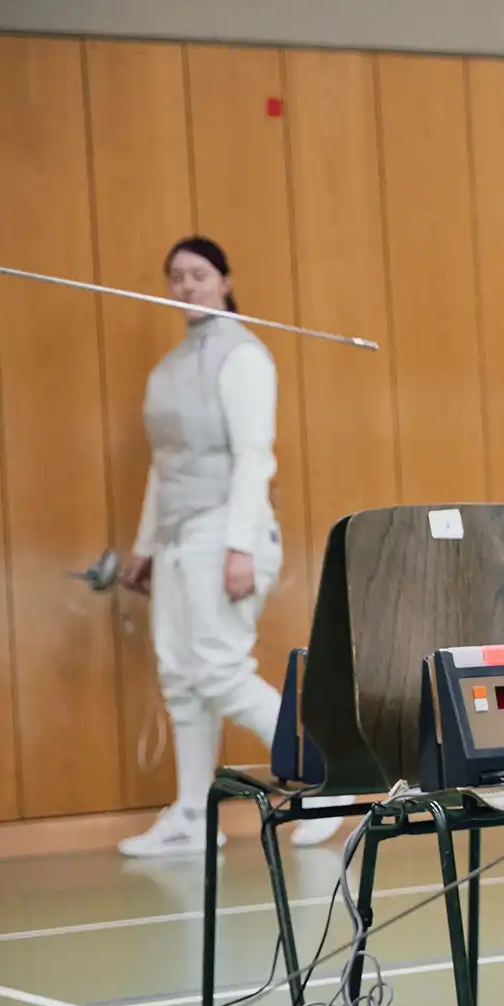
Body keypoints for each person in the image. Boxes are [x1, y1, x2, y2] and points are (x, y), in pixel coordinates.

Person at [117, 237, 346, 857]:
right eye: (176, 276)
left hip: (227, 531)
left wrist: (240, 546)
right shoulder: (169, 369)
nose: (186, 285)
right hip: (178, 540)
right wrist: (145, 546)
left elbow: (253, 457)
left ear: (224, 279)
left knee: (218, 669)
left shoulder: (244, 356)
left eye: (198, 274)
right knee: (181, 676)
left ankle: (325, 782)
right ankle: (194, 815)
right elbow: (163, 467)